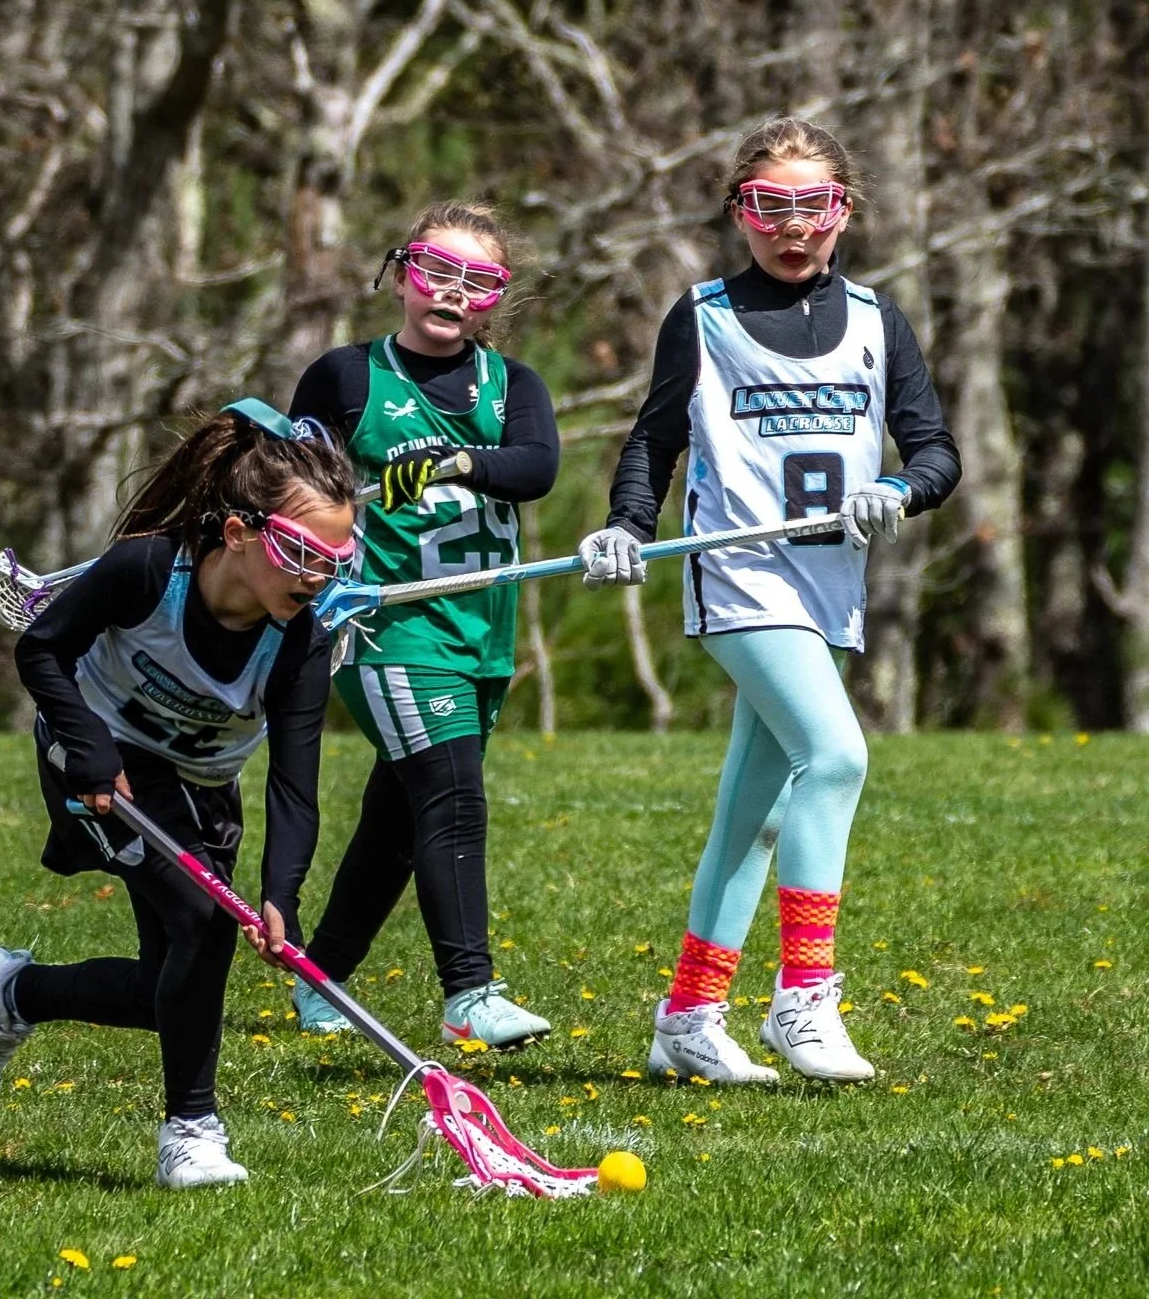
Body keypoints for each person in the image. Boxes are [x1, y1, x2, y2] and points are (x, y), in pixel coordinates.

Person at [580, 118, 960, 1085]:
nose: (792, 227)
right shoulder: (701, 317)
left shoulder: (878, 320)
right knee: (833, 759)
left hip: (826, 586)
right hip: (742, 578)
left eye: (813, 206)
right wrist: (627, 523)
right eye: (769, 206)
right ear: (740, 211)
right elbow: (653, 441)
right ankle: (804, 1000)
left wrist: (903, 488)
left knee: (753, 811)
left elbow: (935, 451)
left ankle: (689, 1017)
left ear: (844, 210)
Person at [0, 400, 356, 1188]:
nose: (316, 578)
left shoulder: (300, 638)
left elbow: (294, 783)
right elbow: (41, 648)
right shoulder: (146, 571)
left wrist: (283, 895)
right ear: (239, 533)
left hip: (201, 785)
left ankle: (15, 991)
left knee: (168, 983)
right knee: (202, 927)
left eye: (333, 562)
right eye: (302, 553)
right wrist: (88, 747)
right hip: (103, 764)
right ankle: (192, 1133)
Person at [288, 201, 561, 1048]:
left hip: (479, 631)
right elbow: (294, 491)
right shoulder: (346, 378)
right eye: (436, 271)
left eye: (477, 282)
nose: (452, 292)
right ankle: (469, 994)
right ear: (402, 273)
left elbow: (535, 468)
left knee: (400, 816)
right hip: (385, 630)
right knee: (450, 798)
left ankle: (321, 975)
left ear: (494, 299)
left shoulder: (511, 385)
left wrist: (451, 461)